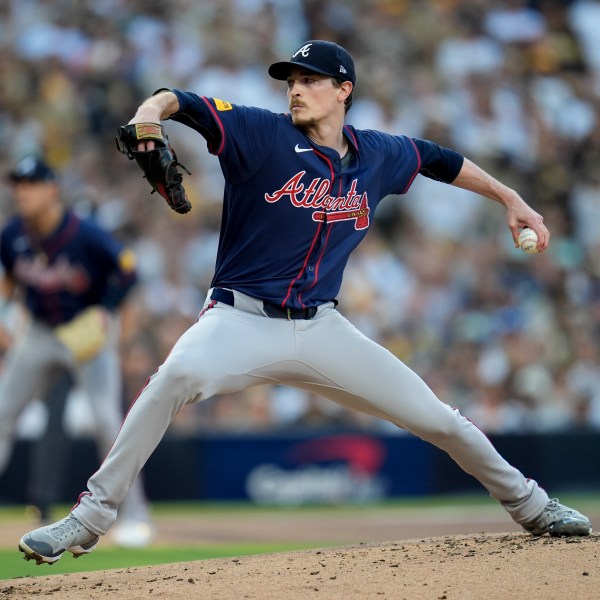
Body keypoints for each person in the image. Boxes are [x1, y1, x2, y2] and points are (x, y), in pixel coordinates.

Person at [19, 40, 591, 565]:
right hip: (238, 321)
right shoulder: (261, 133)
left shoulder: (379, 154)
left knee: (440, 419)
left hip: (323, 330)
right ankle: (90, 518)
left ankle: (533, 506)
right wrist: (149, 113)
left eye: (311, 79)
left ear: (343, 90)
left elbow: (441, 159)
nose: (295, 87)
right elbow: (184, 101)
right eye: (290, 79)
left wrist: (509, 196)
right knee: (171, 379)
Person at [0, 155, 154, 548]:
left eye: (31, 184)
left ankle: (135, 515)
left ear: (52, 189)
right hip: (39, 332)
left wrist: (107, 309)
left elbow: (128, 269)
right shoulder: (13, 233)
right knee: (2, 413)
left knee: (107, 420)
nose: (23, 191)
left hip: (86, 332)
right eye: (18, 184)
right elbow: (9, 280)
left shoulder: (84, 233)